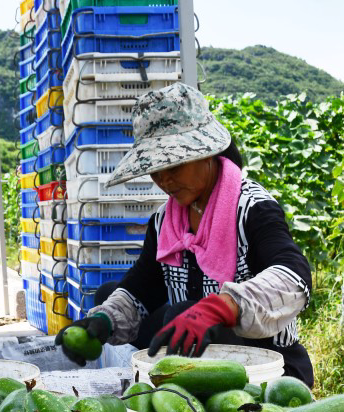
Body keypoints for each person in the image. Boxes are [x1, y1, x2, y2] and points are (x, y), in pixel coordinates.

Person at [55, 83, 314, 385]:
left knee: (180, 311)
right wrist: (102, 322)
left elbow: (294, 276)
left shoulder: (252, 208)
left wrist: (222, 307)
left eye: (174, 165)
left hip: (260, 366)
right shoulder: (166, 221)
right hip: (193, 357)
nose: (164, 180)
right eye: (155, 169)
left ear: (207, 153)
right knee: (109, 294)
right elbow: (141, 287)